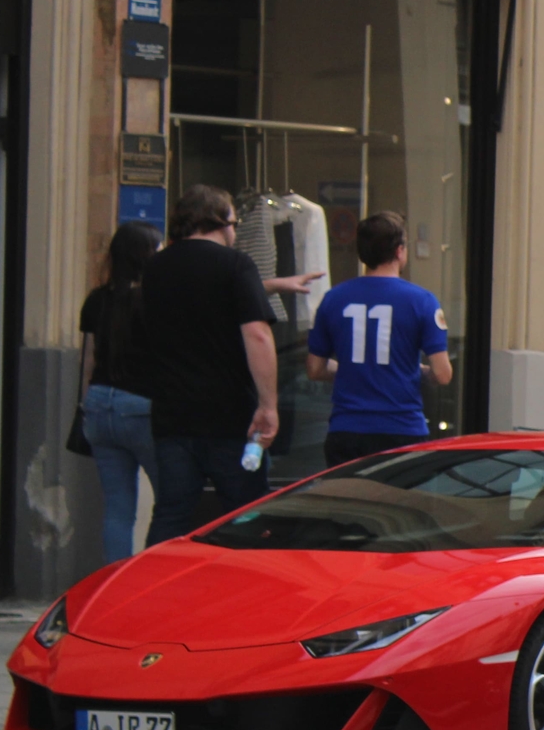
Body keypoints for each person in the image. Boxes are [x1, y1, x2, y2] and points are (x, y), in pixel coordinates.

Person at [143, 185, 279, 544]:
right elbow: (258, 336)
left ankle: (151, 593)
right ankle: (244, 595)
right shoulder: (235, 265)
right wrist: (268, 405)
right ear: (220, 222)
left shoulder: (155, 269)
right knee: (245, 514)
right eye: (234, 222)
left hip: (171, 416)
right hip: (230, 416)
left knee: (171, 514)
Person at [304, 211, 453, 464]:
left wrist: (354, 370)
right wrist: (417, 371)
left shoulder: (334, 298)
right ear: (399, 251)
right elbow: (442, 374)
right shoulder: (422, 301)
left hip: (346, 429)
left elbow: (315, 369)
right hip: (401, 430)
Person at [78, 222, 165, 561]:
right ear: (146, 257)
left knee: (117, 509)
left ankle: (112, 589)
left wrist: (88, 405)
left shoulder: (97, 299)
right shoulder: (154, 301)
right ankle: (153, 582)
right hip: (142, 406)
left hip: (100, 405)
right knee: (170, 501)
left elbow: (87, 361)